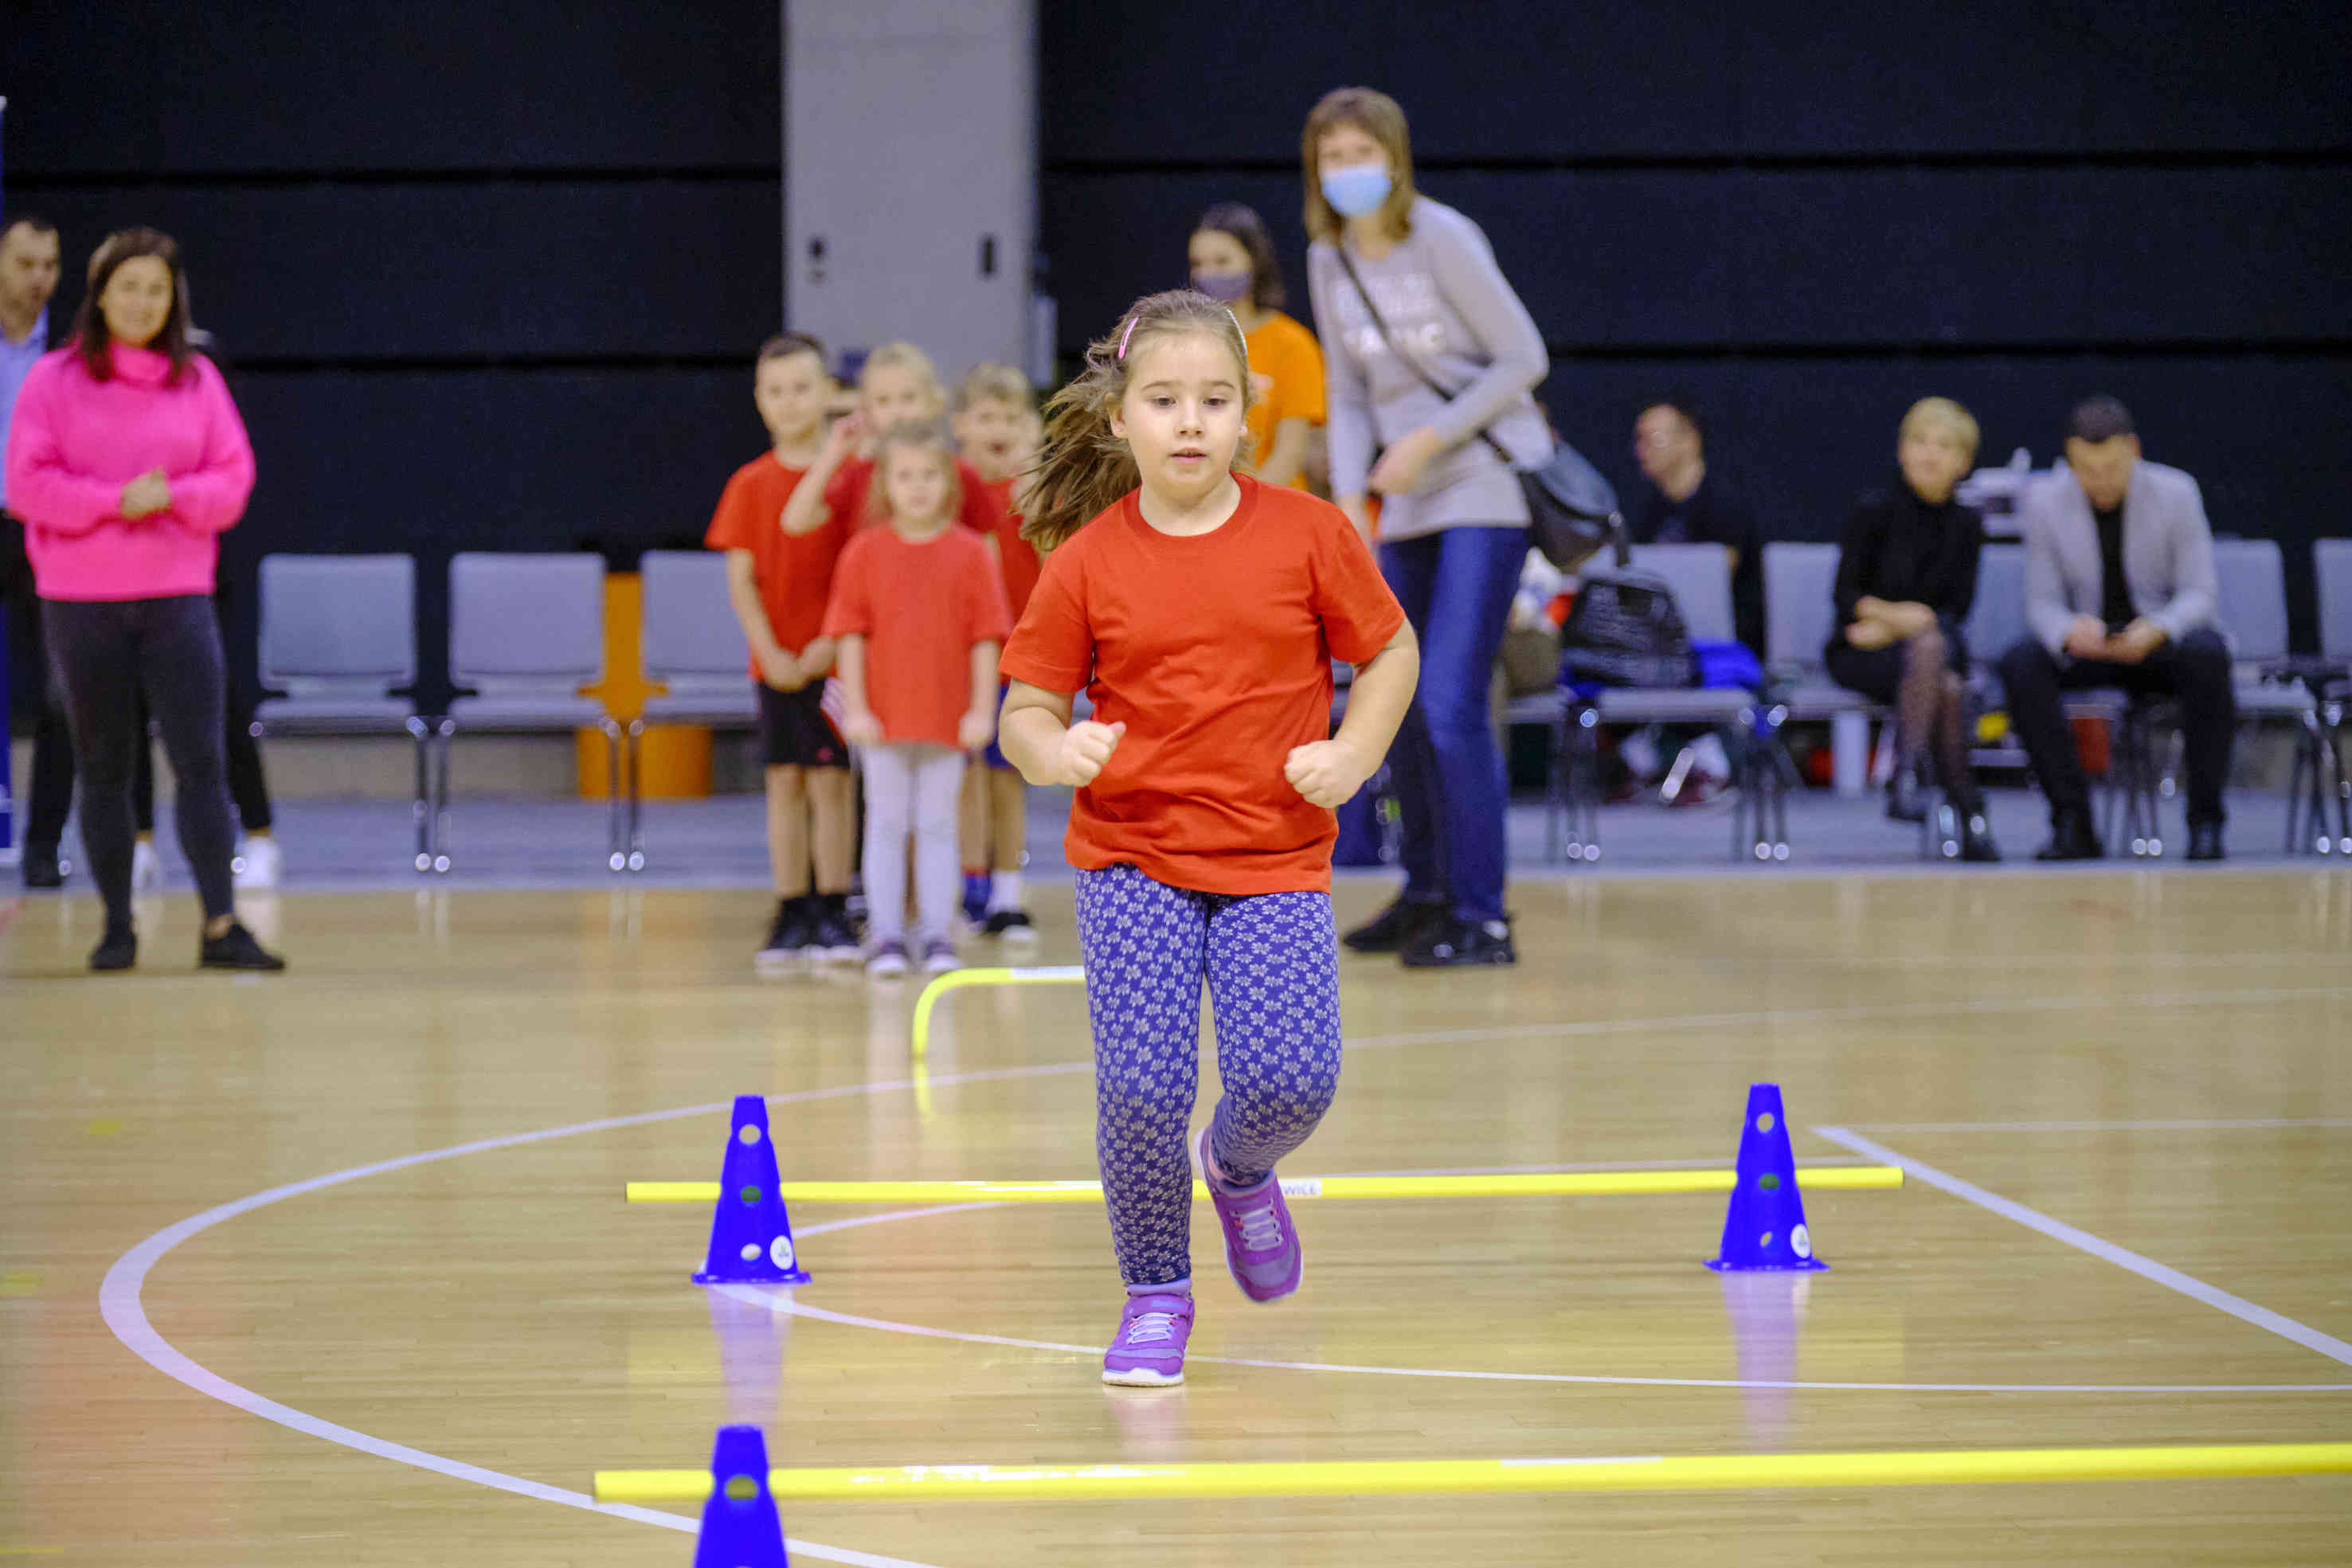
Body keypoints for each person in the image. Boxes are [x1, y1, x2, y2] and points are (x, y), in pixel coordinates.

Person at [1000, 288, 1417, 1386]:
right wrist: (1054, 754)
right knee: (1140, 1089)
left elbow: (1390, 654)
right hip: (1132, 858)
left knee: (1292, 1081)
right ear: (1121, 419)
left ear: (1246, 418)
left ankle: (1236, 1173)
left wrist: (1355, 754)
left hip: (1274, 857)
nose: (1190, 420)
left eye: (1214, 400)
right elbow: (1024, 712)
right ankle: (1155, 1293)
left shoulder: (1311, 533)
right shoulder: (1084, 561)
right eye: (1165, 399)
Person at [1305, 85, 1545, 968]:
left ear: (1395, 159)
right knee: (1392, 703)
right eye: (1332, 158)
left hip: (1481, 484)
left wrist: (1430, 439)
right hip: (1400, 504)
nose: (1348, 172)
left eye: (1361, 153)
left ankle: (1483, 913)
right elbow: (1346, 391)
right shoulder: (1329, 260)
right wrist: (1350, 510)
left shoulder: (1441, 236)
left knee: (1449, 703)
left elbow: (1526, 356)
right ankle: (1426, 892)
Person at [2, 227, 283, 971]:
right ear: (101, 293)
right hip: (80, 599)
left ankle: (222, 925)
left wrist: (172, 495)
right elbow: (27, 485)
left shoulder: (197, 381)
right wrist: (114, 501)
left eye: (156, 290)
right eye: (129, 286)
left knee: (201, 761)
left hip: (177, 596)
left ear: (173, 299)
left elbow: (233, 480)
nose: (142, 302)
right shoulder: (54, 380)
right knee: (103, 766)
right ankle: (117, 925)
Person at [1997, 396, 2235, 862]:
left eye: (2112, 467)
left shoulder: (2177, 493)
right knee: (2021, 663)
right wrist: (2069, 632)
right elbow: (2041, 603)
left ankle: (2206, 822)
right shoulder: (2045, 501)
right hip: (2090, 646)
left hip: (2156, 645)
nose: (2100, 480)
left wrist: (2158, 628)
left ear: (2135, 451)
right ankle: (2073, 823)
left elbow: (2200, 593)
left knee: (2208, 654)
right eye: (2087, 469)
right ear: (2069, 459)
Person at [822, 417, 1011, 979]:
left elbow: (984, 638)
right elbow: (850, 637)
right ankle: (884, 933)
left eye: (930, 474)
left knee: (936, 826)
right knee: (884, 824)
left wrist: (981, 709)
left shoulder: (972, 553)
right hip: (881, 717)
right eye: (905, 475)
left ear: (950, 481)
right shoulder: (863, 552)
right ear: (885, 483)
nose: (918, 486)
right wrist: (856, 707)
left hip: (947, 717)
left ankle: (936, 932)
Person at [706, 331, 861, 968]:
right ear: (759, 401)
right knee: (783, 781)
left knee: (831, 782)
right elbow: (741, 578)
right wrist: (767, 649)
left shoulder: (849, 480)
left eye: (803, 387)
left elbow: (859, 569)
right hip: (774, 661)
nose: (791, 402)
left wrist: (830, 644)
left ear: (827, 393)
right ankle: (790, 906)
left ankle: (833, 905)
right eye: (776, 390)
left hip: (834, 664)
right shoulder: (749, 483)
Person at [1826, 397, 1997, 860]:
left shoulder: (1967, 525)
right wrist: (1904, 621)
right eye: (1919, 441)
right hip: (1864, 651)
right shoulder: (1873, 509)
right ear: (1902, 450)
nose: (1929, 454)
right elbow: (1845, 595)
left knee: (1937, 665)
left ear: (1963, 462)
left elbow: (1956, 609)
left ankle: (1908, 775)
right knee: (1945, 682)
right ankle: (1970, 814)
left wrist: (1903, 626)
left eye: (1944, 445)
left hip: (1926, 643)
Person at [950, 362, 1043, 940]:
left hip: (1018, 655)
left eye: (1010, 416)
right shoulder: (950, 487)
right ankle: (971, 888)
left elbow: (1051, 544)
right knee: (966, 779)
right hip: (959, 657)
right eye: (986, 415)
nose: (998, 426)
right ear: (960, 425)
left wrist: (1033, 464)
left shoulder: (1032, 488)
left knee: (1007, 778)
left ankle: (1010, 892)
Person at [0, 216, 71, 888]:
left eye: (49, 264)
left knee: (61, 690)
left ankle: (44, 843)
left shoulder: (72, 351)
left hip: (42, 530)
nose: (39, 279)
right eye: (25, 264)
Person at [1188, 202, 1325, 491]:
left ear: (1254, 261)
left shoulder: (1292, 343)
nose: (1209, 273)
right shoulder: (1185, 344)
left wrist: (1240, 511)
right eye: (1199, 264)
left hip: (1273, 510)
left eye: (1222, 261)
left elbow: (1290, 453)